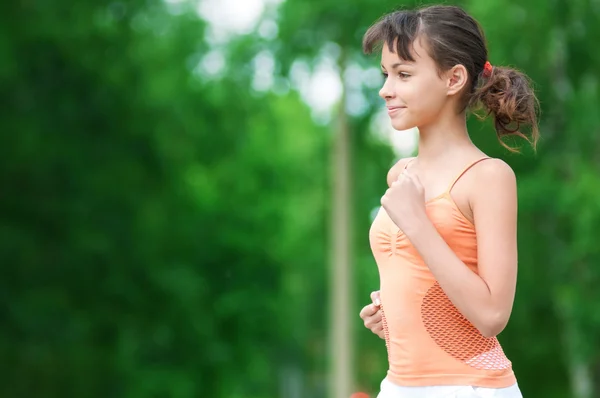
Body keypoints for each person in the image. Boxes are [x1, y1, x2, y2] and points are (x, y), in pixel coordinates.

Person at [358, 4, 539, 398]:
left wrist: (418, 225)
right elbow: (427, 285)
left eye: (403, 74)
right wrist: (391, 310)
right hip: (397, 385)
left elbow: (492, 315)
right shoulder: (400, 175)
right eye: (386, 74)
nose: (386, 89)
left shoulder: (488, 177)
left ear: (453, 78)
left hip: (470, 387)